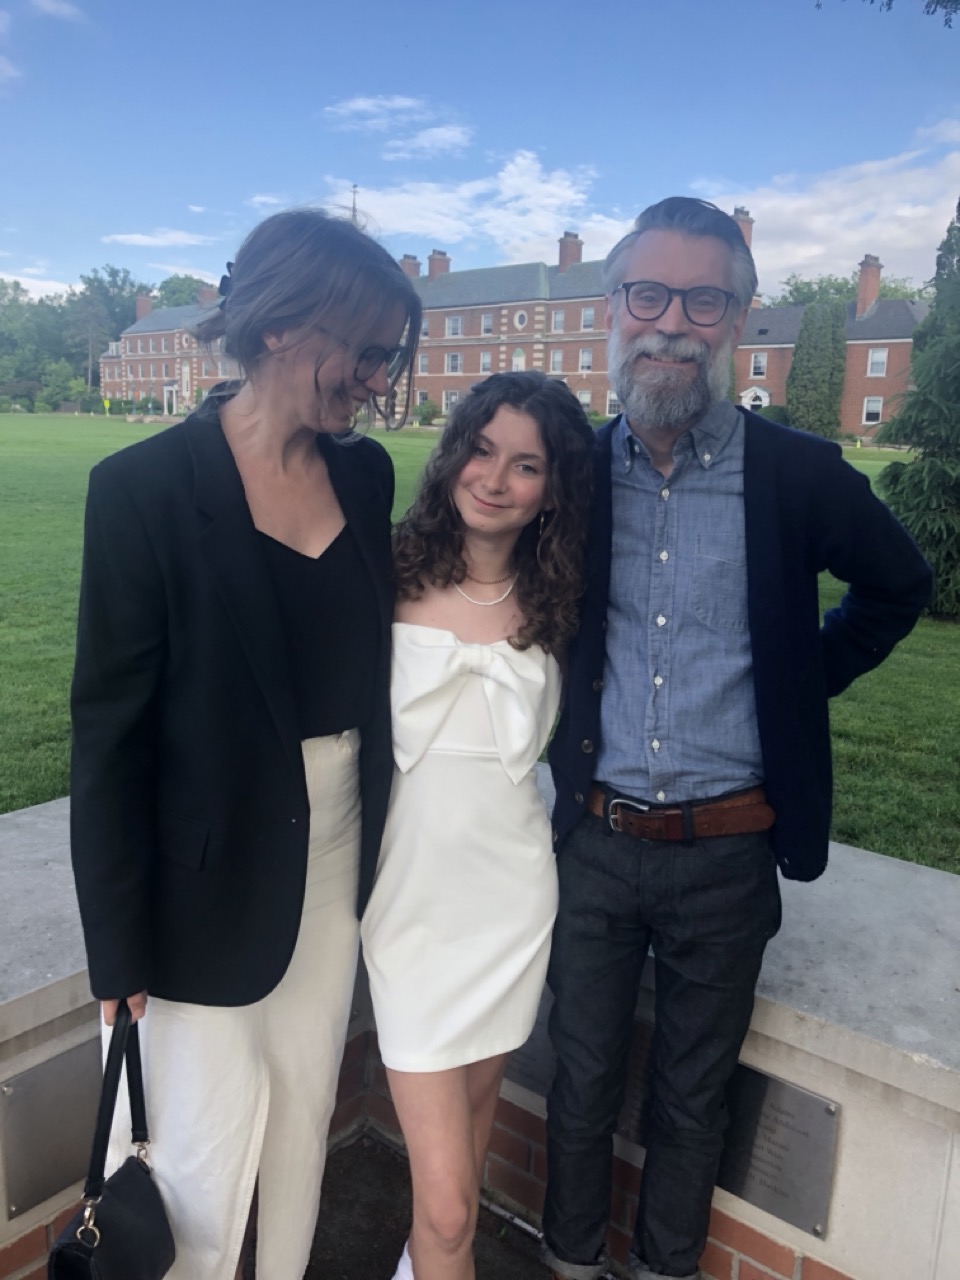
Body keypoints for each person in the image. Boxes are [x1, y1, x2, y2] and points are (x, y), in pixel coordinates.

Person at [543, 197, 933, 1280]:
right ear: (612, 308)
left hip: (728, 852)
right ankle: (569, 1264)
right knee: (578, 1080)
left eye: (703, 298)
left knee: (692, 1097)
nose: (672, 322)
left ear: (742, 315)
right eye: (647, 294)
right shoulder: (567, 471)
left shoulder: (797, 472)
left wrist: (800, 679)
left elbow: (899, 585)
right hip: (594, 840)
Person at [69, 207, 422, 1280]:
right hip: (198, 883)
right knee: (195, 1159)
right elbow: (109, 731)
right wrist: (117, 943)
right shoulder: (141, 491)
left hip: (333, 862)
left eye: (384, 357)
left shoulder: (363, 477)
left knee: (302, 1121)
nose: (372, 377)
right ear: (276, 326)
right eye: (359, 349)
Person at [361, 371, 595, 1280]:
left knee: (469, 1143)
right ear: (454, 452)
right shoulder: (381, 572)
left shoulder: (565, 606)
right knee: (453, 1208)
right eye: (482, 449)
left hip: (510, 902)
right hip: (409, 907)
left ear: (553, 490)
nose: (494, 479)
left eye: (526, 464)